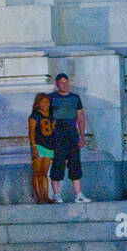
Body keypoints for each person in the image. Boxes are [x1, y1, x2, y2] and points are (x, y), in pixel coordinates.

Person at [48, 73, 90, 204]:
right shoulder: (51, 98)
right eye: (61, 82)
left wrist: (82, 136)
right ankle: (57, 194)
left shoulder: (75, 98)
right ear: (57, 84)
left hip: (72, 134)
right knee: (57, 163)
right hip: (57, 135)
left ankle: (78, 194)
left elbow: (81, 118)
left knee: (75, 163)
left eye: (66, 82)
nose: (64, 85)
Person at [28, 93, 55, 204]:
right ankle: (39, 196)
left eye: (48, 102)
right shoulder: (35, 116)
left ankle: (46, 195)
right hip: (39, 145)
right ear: (38, 103)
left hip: (49, 146)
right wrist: (33, 146)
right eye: (44, 102)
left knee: (44, 173)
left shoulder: (51, 115)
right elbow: (31, 132)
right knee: (37, 172)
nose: (46, 104)